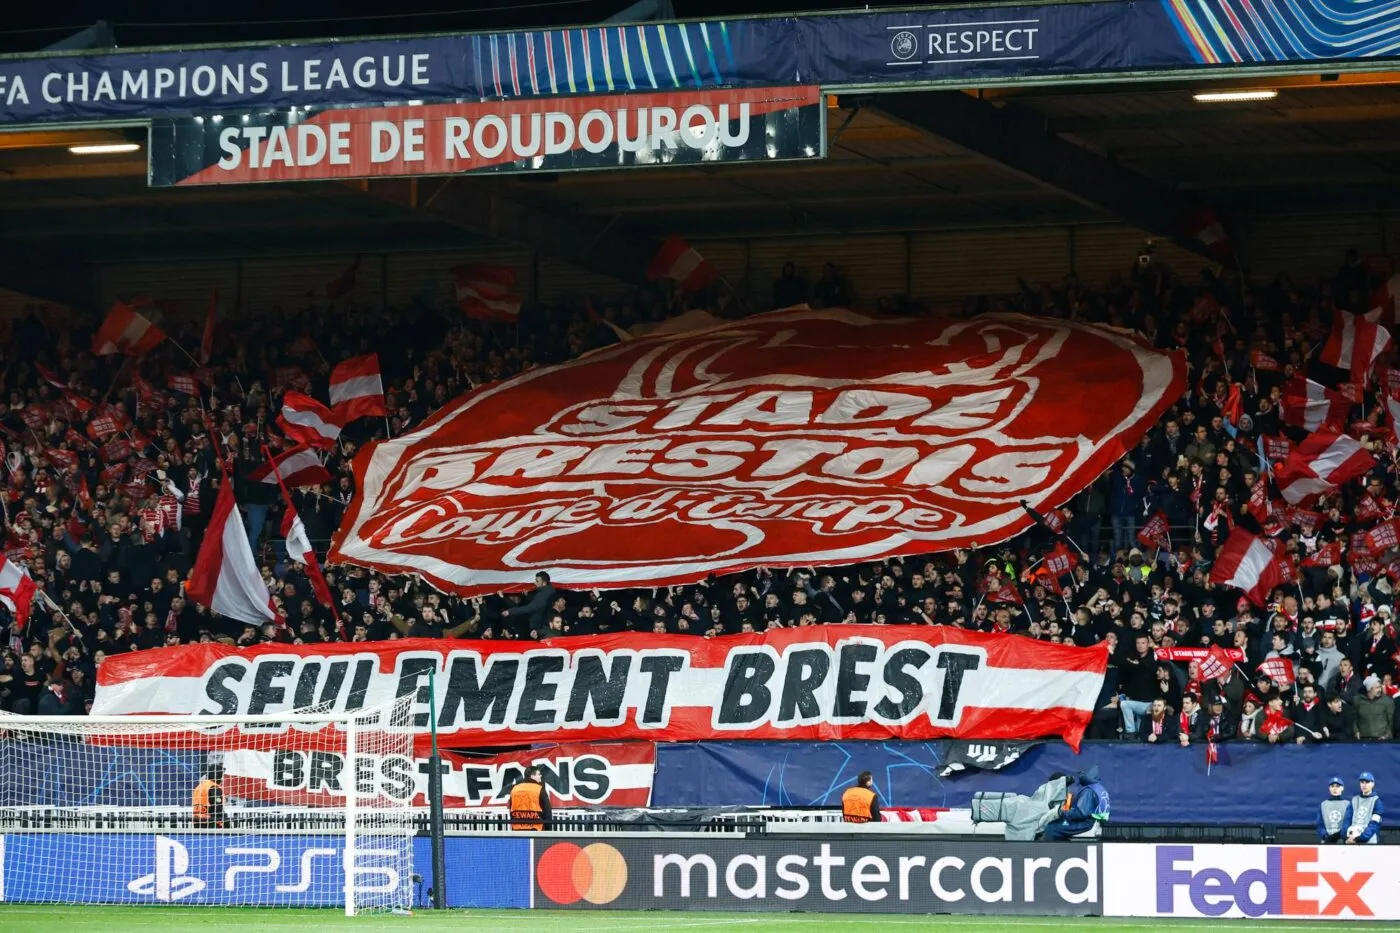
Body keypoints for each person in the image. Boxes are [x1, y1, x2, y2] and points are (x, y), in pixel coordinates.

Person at [1043, 766, 1110, 840]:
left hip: (1087, 824)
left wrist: (1061, 812)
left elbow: (1081, 813)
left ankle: (1046, 850)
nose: (1080, 776)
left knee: (1052, 827)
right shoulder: (1098, 788)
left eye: (1082, 774)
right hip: (1095, 823)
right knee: (1062, 825)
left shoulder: (1088, 791)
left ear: (1088, 775)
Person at [509, 765, 552, 831]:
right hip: (536, 829)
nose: (541, 776)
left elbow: (511, 807)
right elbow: (547, 810)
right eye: (539, 774)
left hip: (517, 828)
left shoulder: (514, 789)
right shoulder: (539, 789)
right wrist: (548, 829)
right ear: (532, 776)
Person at [1344, 772, 1384, 844]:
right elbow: (1347, 820)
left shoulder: (1377, 802)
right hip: (1352, 840)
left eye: (1367, 782)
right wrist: (1346, 837)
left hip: (1369, 842)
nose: (1364, 785)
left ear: (1372, 784)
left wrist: (1360, 838)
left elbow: (1374, 824)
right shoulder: (1354, 800)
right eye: (1362, 782)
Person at [192, 760, 226, 829]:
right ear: (217, 775)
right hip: (211, 823)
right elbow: (218, 809)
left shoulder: (199, 786)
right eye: (221, 775)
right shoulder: (214, 788)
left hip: (197, 822)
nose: (222, 778)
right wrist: (225, 825)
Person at [1318, 777, 1349, 843]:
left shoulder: (1348, 804)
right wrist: (1325, 836)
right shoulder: (1323, 804)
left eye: (1337, 786)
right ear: (1329, 788)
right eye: (1332, 786)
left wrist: (1339, 836)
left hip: (1343, 841)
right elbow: (1320, 824)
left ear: (1342, 788)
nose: (1335, 789)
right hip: (1327, 841)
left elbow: (1348, 823)